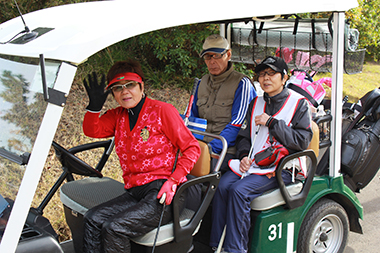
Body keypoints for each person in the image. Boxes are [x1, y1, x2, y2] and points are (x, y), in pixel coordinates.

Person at [81, 59, 201, 253]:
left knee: (115, 228)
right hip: (135, 192)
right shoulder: (118, 115)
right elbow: (92, 130)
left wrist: (173, 180)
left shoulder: (162, 111)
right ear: (112, 93)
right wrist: (94, 108)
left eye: (130, 85)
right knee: (92, 219)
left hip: (163, 193)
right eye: (118, 88)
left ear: (141, 86)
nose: (125, 91)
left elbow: (192, 148)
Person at [210, 56, 313, 253]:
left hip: (284, 167)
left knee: (239, 191)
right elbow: (243, 137)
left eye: (271, 74)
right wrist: (242, 156)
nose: (265, 79)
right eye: (262, 74)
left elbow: (302, 141)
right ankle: (217, 244)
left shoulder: (299, 104)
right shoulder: (255, 102)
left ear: (284, 78)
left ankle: (235, 249)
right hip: (255, 164)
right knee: (222, 186)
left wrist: (272, 123)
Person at [190, 34, 256, 172]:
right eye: (208, 57)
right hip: (200, 147)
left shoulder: (241, 84)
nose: (212, 62)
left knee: (198, 177)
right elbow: (190, 118)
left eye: (217, 56)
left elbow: (238, 124)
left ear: (229, 54)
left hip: (227, 151)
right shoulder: (201, 83)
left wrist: (210, 149)